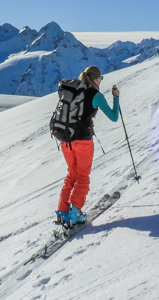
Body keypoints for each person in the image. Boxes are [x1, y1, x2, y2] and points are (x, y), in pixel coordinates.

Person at [56, 66, 119, 226]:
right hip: (83, 141)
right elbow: (113, 117)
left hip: (66, 140)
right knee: (82, 176)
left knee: (72, 174)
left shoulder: (73, 91)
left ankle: (63, 212)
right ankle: (75, 213)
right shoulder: (95, 95)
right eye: (101, 78)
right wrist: (116, 98)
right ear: (96, 79)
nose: (101, 81)